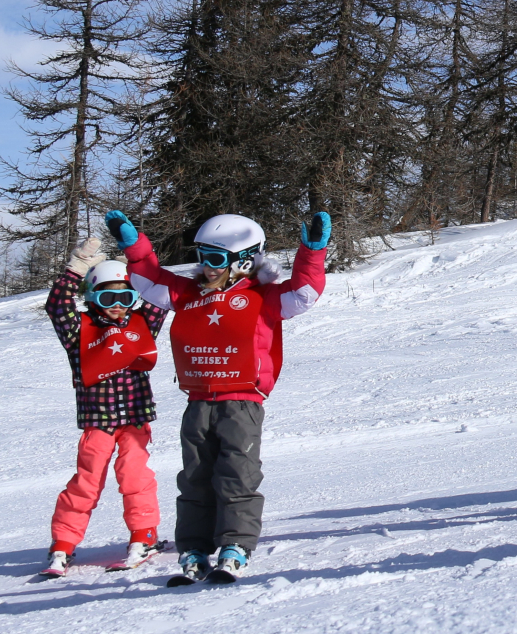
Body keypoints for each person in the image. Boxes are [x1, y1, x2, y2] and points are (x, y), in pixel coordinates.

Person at [104, 208, 328, 583]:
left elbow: (305, 293)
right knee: (194, 476)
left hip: (242, 400)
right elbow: (146, 280)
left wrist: (312, 252)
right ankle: (193, 546)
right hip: (198, 400)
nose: (205, 268)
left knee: (237, 473)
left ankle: (235, 544)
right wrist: (134, 246)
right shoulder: (187, 293)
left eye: (214, 259)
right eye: (201, 257)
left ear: (243, 261)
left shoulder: (263, 296)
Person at [39, 237, 167, 576]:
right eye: (108, 297)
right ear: (93, 298)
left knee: (135, 477)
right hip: (98, 421)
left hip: (136, 420)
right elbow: (57, 306)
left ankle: (144, 535)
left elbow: (160, 296)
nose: (117, 306)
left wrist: (139, 260)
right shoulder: (80, 330)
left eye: (125, 297)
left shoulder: (142, 324)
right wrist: (76, 267)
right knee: (87, 481)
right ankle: (63, 544)